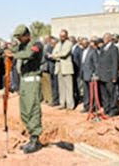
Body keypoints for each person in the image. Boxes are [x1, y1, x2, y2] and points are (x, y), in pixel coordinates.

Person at [5, 25, 43, 154]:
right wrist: (8, 50)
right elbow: (11, 50)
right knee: (25, 111)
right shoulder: (21, 45)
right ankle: (31, 136)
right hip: (24, 82)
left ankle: (35, 139)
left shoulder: (36, 44)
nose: (19, 40)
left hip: (33, 80)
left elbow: (30, 54)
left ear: (27, 35)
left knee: (33, 109)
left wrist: (14, 54)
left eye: (20, 37)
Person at [49, 30, 75, 110]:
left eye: (63, 36)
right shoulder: (58, 44)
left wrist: (55, 56)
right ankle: (62, 103)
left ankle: (70, 105)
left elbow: (64, 54)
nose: (62, 37)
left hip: (67, 68)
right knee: (61, 87)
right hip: (59, 67)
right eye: (60, 36)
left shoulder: (69, 43)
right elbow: (54, 52)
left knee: (69, 87)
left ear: (66, 36)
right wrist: (56, 55)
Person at [80, 38, 98, 113]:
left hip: (90, 75)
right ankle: (86, 106)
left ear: (87, 43)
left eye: (84, 44)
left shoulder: (93, 51)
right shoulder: (83, 51)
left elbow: (96, 64)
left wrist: (95, 74)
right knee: (86, 92)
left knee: (92, 92)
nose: (82, 45)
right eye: (82, 44)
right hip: (84, 74)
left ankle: (92, 107)